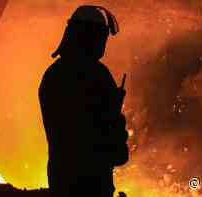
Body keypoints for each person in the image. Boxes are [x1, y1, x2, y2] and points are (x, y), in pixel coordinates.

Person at [39, 5, 129, 197]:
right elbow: (112, 146)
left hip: (60, 180)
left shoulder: (53, 74)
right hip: (92, 183)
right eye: (102, 37)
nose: (103, 44)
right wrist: (116, 118)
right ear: (91, 37)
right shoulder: (97, 76)